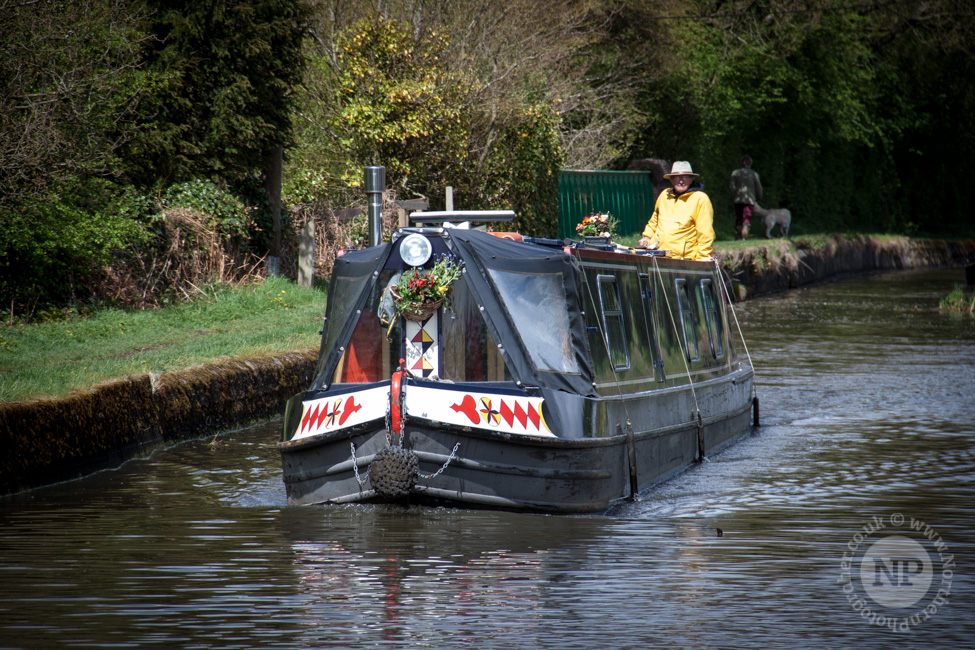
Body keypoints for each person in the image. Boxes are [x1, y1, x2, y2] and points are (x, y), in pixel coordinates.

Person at [637, 161, 714, 261]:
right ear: (671, 180)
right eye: (677, 177)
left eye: (685, 177)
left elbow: (705, 233)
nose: (681, 181)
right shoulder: (664, 195)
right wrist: (647, 236)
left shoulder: (700, 199)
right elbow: (654, 221)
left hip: (683, 259)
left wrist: (702, 258)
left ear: (691, 179)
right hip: (657, 254)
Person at [729, 155, 763, 240]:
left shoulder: (735, 173)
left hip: (738, 199)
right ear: (750, 163)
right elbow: (759, 187)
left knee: (739, 216)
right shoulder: (754, 174)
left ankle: (739, 233)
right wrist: (759, 197)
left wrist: (735, 194)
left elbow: (731, 186)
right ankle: (744, 233)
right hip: (749, 199)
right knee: (747, 216)